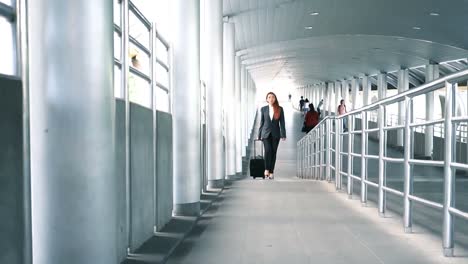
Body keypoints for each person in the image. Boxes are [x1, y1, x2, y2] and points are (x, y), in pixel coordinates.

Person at [258, 92, 286, 180]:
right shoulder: (263, 109)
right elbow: (261, 122)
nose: (271, 99)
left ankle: (271, 171)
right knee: (268, 150)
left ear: (275, 99)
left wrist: (283, 134)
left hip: (276, 134)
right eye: (269, 97)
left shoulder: (280, 109)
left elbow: (282, 123)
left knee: (273, 152)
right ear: (266, 99)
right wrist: (259, 135)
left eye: (273, 97)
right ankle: (266, 169)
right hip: (265, 134)